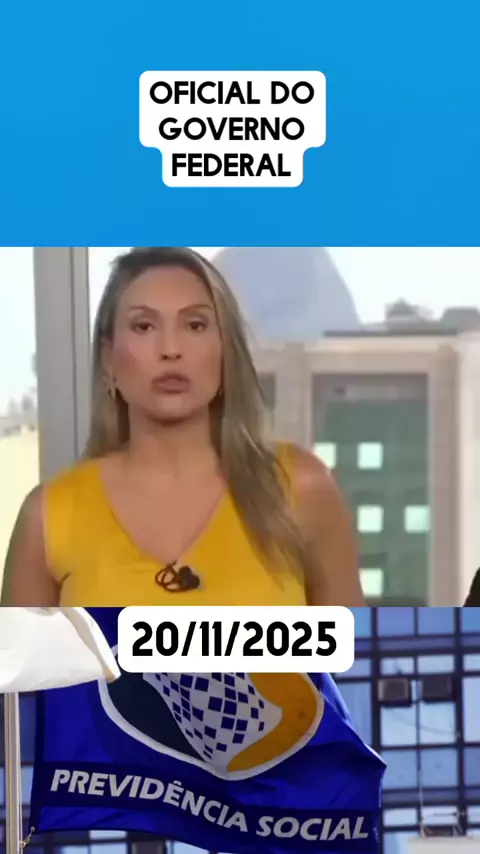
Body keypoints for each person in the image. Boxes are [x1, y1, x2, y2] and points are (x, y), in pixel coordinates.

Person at [2, 247, 364, 607]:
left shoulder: (301, 489)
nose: (171, 349)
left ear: (225, 353)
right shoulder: (47, 519)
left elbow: (354, 644)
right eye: (144, 326)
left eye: (195, 325)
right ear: (109, 361)